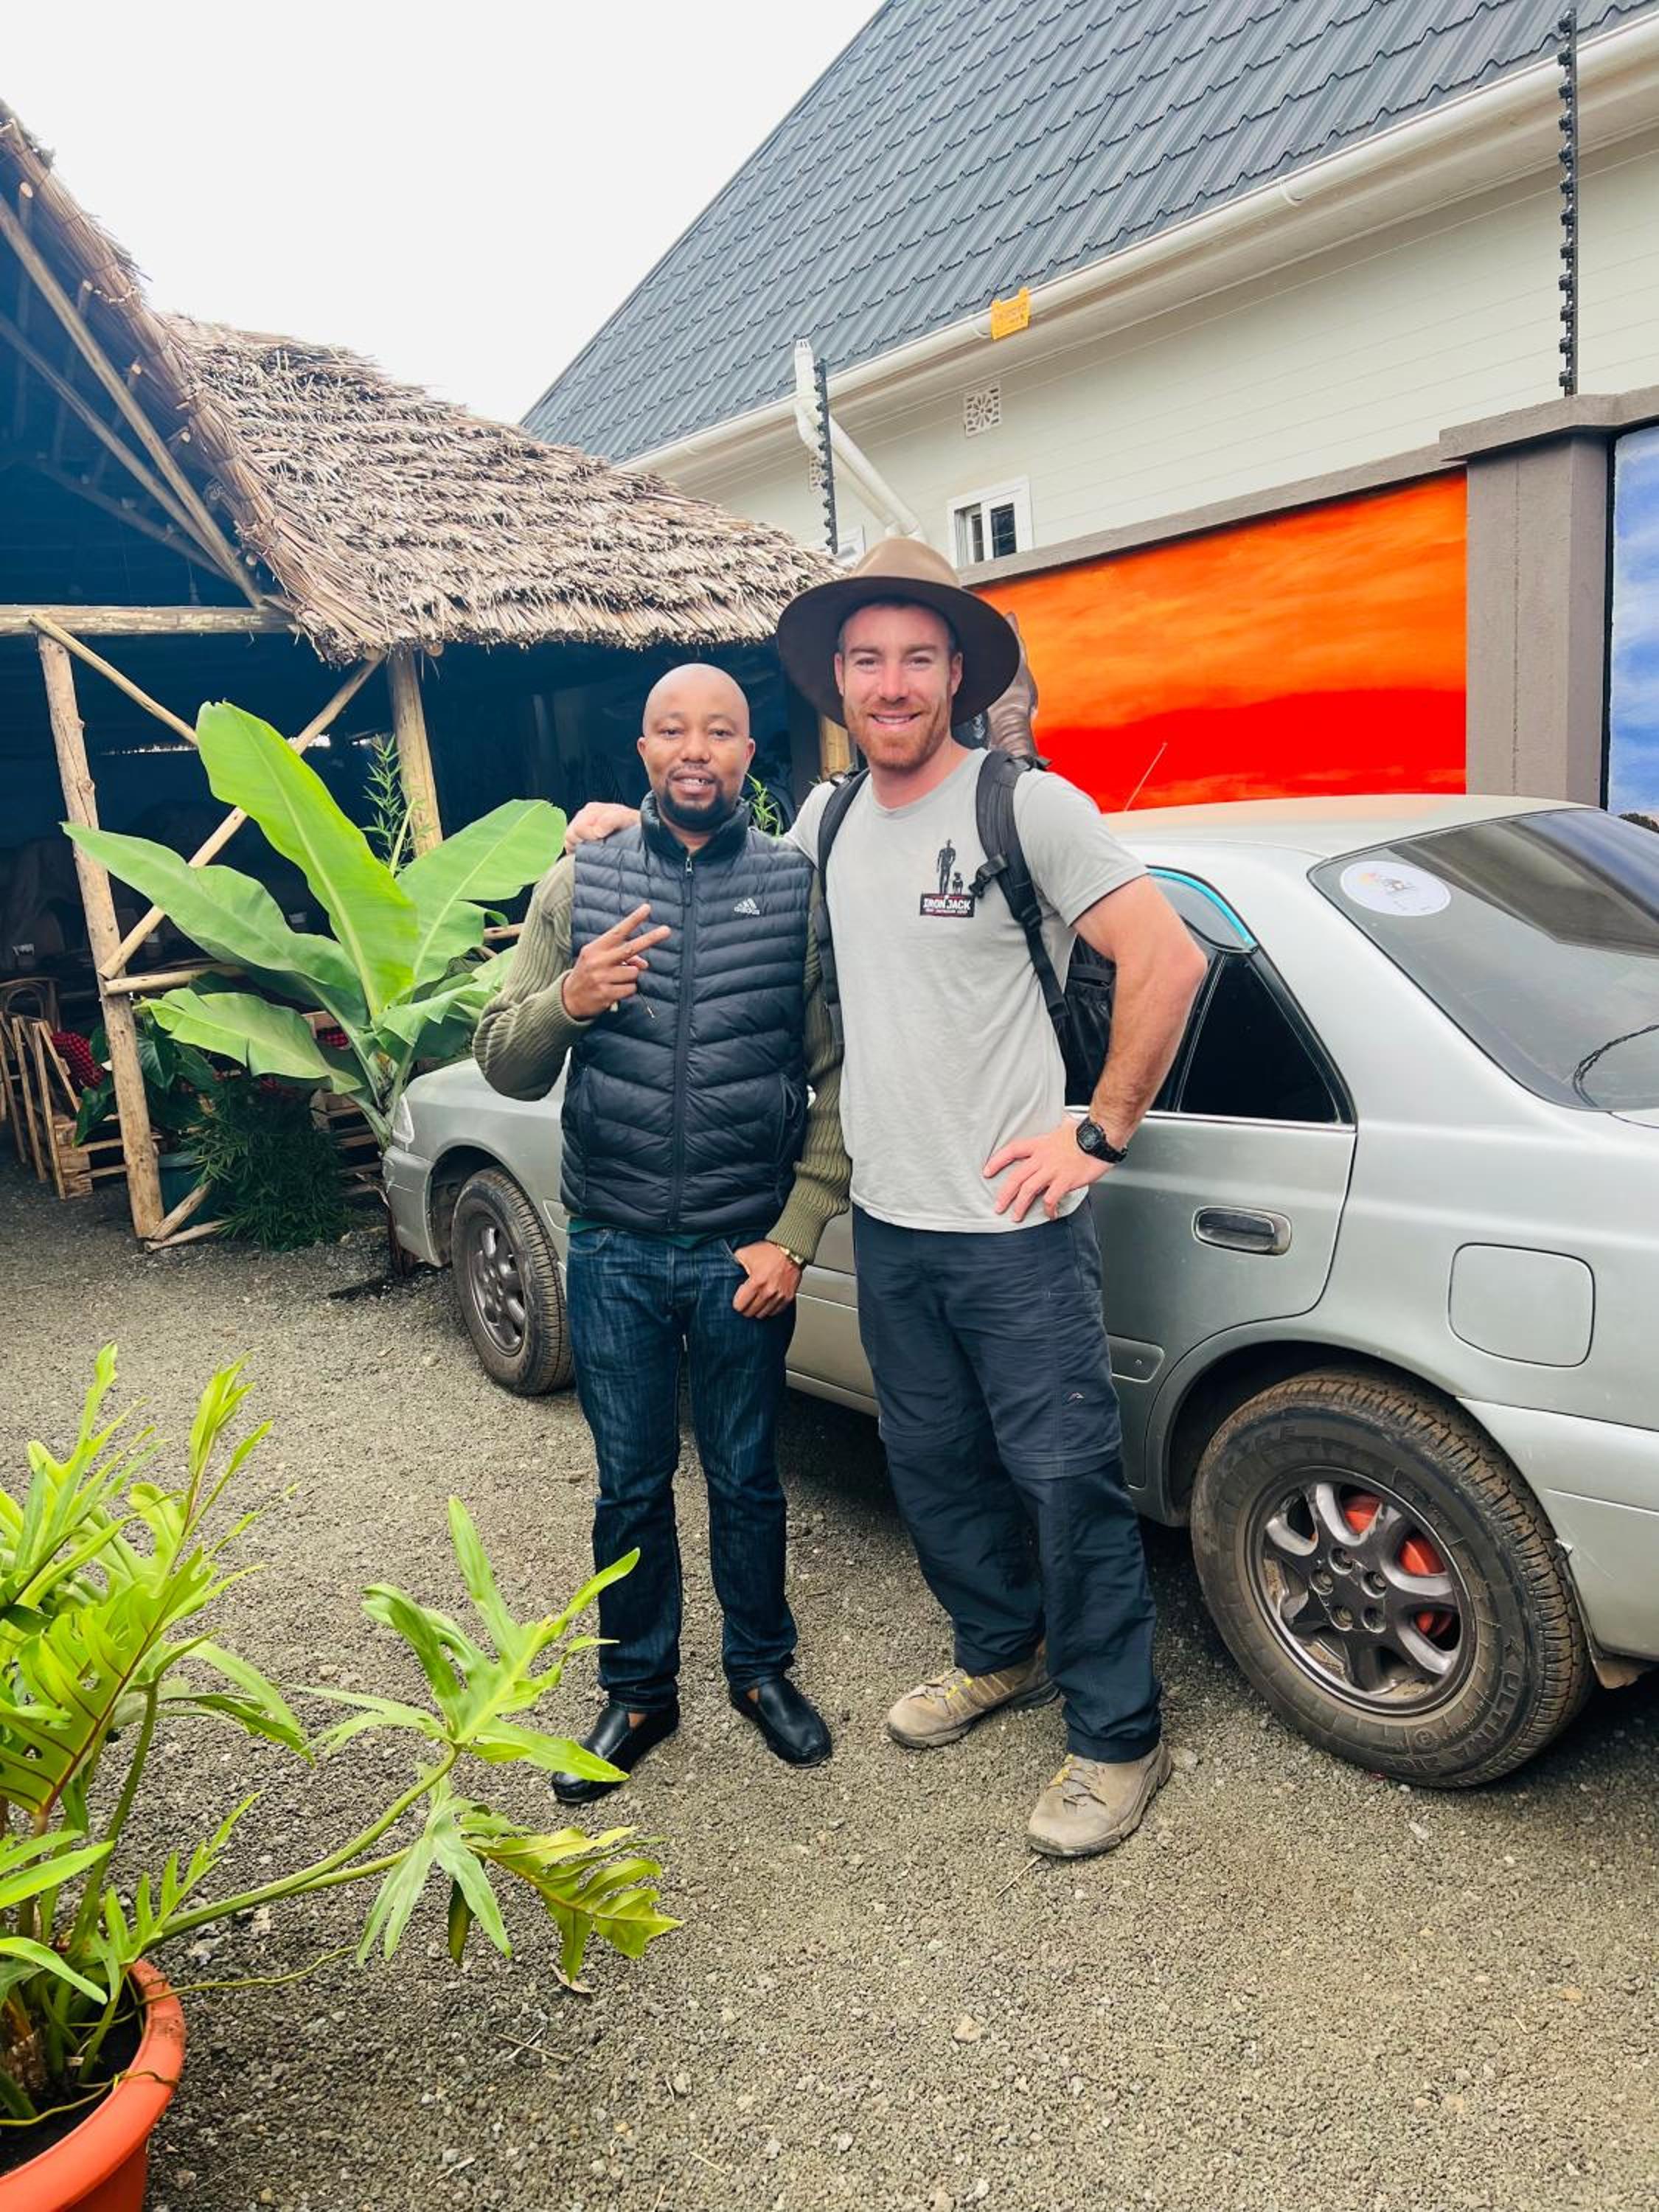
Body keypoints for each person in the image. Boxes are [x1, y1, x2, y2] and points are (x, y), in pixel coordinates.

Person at [567, 543, 1206, 1858]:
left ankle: (1115, 1735)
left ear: (956, 673)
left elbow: (1166, 957)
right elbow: (720, 862)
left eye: (918, 657)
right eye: (867, 660)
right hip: (893, 1222)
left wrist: (1099, 1130)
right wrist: (612, 832)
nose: (892, 682)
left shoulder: (1028, 808)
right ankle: (997, 1650)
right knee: (934, 1468)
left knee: (1063, 1481)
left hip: (1016, 1232)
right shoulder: (829, 821)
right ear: (838, 682)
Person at [474, 663, 849, 1799]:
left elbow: (836, 1075)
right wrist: (568, 1001)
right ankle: (638, 1691)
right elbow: (501, 1058)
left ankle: (759, 1671)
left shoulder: (792, 886)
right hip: (615, 1248)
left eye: (719, 731)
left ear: (747, 754)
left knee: (746, 1476)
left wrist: (794, 1231)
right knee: (628, 1483)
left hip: (742, 1251)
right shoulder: (576, 881)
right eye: (672, 730)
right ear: (641, 751)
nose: (695, 748)